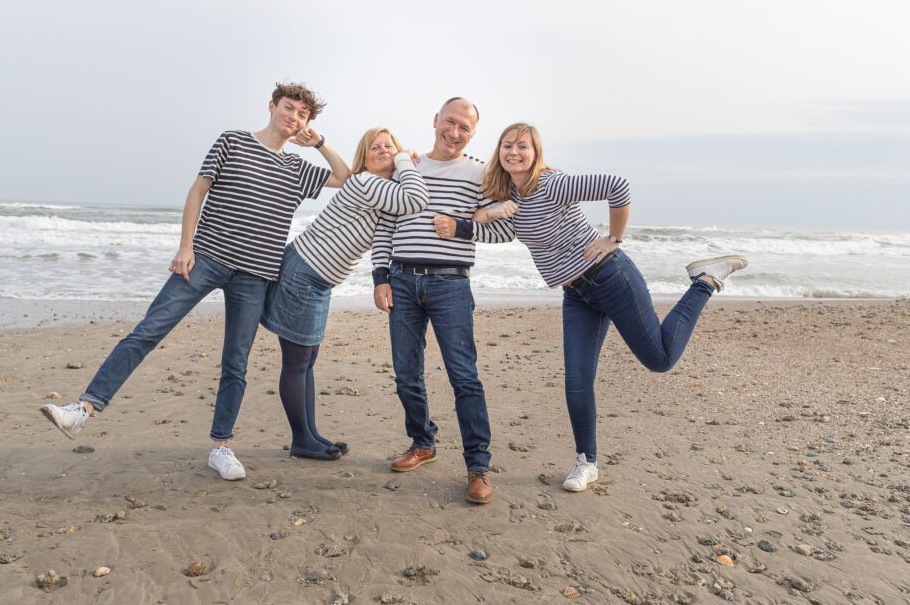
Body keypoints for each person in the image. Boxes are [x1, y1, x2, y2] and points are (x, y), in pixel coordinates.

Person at [40, 82, 351, 481]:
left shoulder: (297, 168)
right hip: (204, 258)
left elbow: (343, 177)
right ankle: (83, 409)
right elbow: (197, 191)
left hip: (255, 276)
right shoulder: (233, 141)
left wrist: (320, 142)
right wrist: (185, 247)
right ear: (272, 107)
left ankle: (221, 446)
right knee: (148, 330)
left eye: (303, 115)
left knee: (235, 362)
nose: (294, 118)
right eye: (289, 109)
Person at [459, 122, 747, 492]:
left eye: (522, 146)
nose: (514, 152)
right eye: (507, 145)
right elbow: (484, 211)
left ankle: (705, 281)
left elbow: (617, 186)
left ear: (536, 152)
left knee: (659, 359)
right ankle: (586, 462)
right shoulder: (510, 195)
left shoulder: (551, 184)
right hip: (576, 295)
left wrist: (614, 238)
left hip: (611, 277)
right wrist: (486, 213)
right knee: (577, 381)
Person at [371, 98, 514, 505]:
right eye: (449, 122)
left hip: (450, 284)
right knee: (406, 373)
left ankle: (477, 467)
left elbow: (505, 231)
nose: (454, 132)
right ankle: (423, 443)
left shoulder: (480, 174)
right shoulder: (406, 167)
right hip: (401, 281)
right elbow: (386, 224)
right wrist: (380, 277)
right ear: (435, 121)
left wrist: (462, 227)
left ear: (472, 134)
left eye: (464, 128)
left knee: (464, 376)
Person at [261, 128, 429, 460]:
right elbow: (417, 199)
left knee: (307, 362)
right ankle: (301, 440)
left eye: (388, 146)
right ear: (364, 158)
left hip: (318, 279)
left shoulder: (384, 190)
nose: (383, 150)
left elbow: (390, 231)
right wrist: (402, 158)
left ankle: (310, 435)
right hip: (304, 271)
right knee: (296, 363)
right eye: (375, 147)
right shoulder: (367, 182)